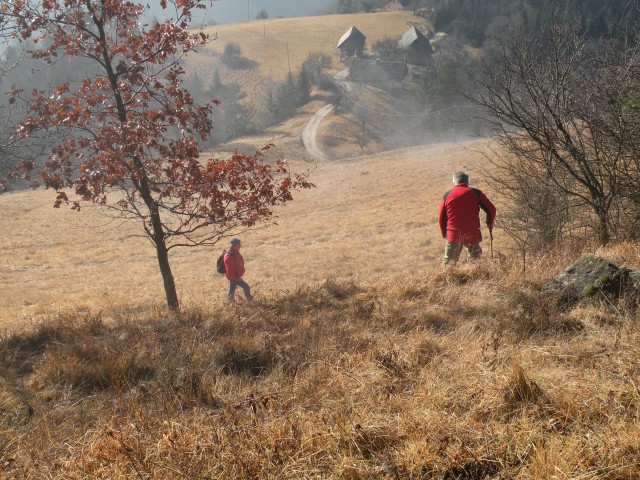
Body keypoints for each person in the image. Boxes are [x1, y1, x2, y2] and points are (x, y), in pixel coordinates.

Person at [438, 171, 496, 265]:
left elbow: (441, 218)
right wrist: (489, 223)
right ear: (467, 181)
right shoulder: (476, 193)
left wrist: (445, 234)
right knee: (474, 261)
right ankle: (474, 278)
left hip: (453, 234)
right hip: (472, 233)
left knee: (449, 263)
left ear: (454, 182)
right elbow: (491, 209)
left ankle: (448, 279)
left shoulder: (447, 195)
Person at [223, 237, 252, 304]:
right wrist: (236, 278)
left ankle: (230, 303)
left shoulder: (234, 252)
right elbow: (229, 270)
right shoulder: (229, 255)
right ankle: (250, 301)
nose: (240, 246)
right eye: (239, 244)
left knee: (231, 289)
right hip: (233, 276)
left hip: (234, 276)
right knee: (246, 287)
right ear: (236, 245)